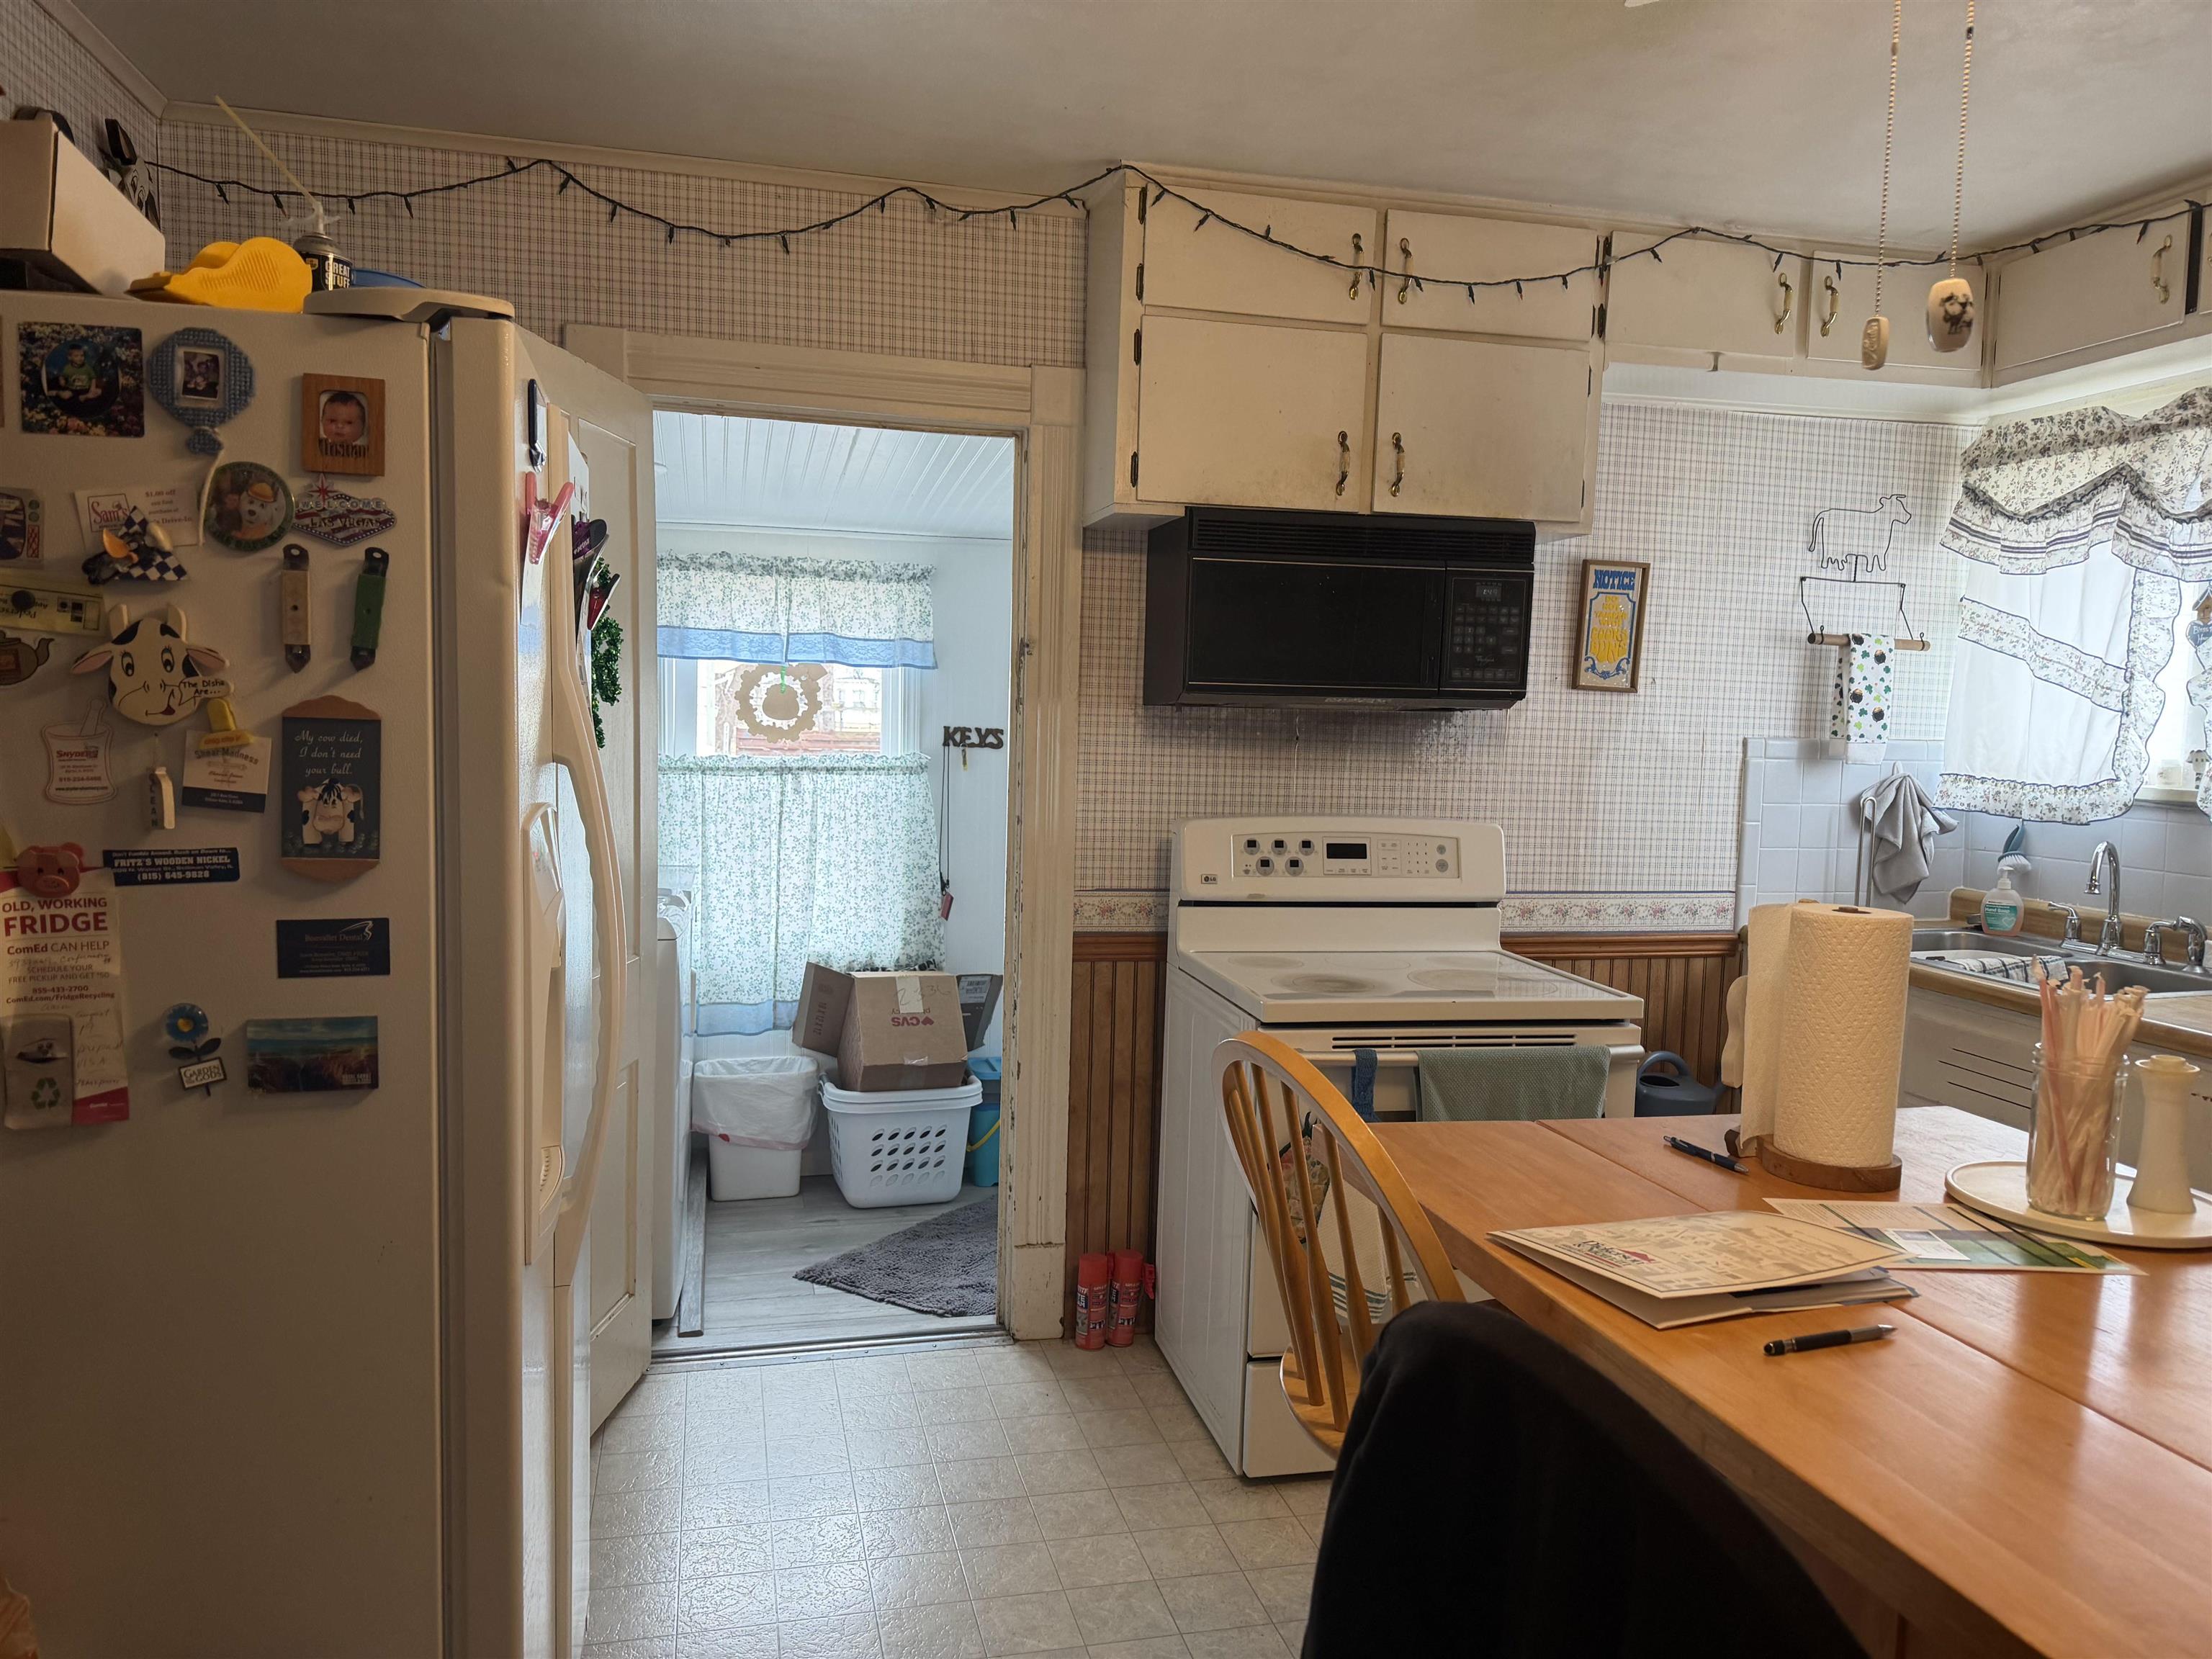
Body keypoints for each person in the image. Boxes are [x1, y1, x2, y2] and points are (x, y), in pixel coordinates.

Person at [319, 390, 369, 456]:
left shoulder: (364, 452)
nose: (339, 426)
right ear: (322, 421)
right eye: (332, 421)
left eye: (349, 422)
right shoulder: (319, 447)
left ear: (363, 427)